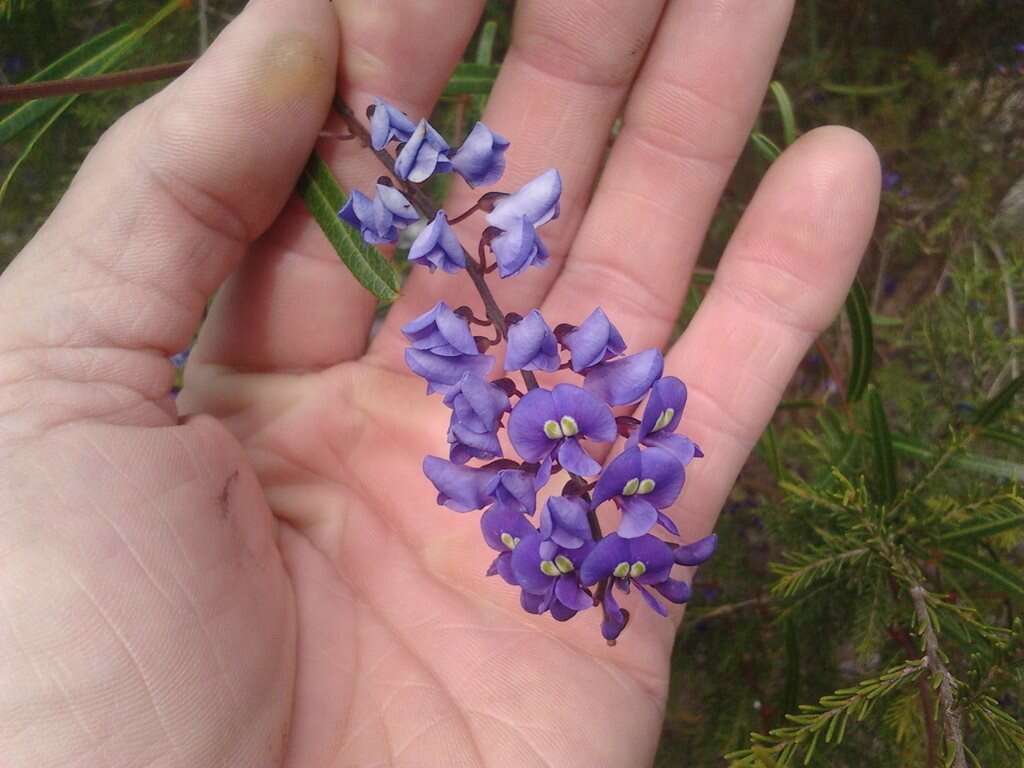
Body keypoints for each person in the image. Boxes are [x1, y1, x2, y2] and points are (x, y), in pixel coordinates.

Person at [0, 0, 880, 765]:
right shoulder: (534, 405)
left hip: (527, 405)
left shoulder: (552, 433)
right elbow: (558, 444)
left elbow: (569, 452)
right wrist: (564, 442)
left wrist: (567, 450)